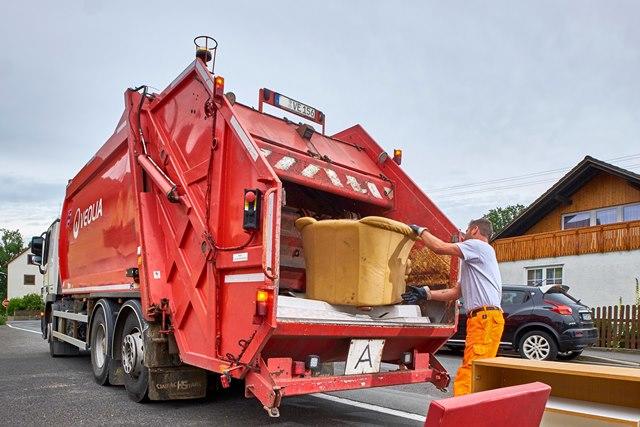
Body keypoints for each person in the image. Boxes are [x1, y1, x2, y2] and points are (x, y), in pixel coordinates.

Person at [402, 218, 504, 396]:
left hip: (485, 319)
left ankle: (460, 415)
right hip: (485, 319)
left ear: (474, 230)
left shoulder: (478, 246)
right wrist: (425, 293)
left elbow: (439, 248)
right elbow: (456, 293)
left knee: (471, 370)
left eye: (466, 230)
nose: (463, 234)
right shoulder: (474, 261)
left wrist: (420, 230)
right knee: (479, 371)